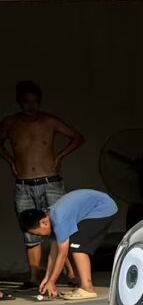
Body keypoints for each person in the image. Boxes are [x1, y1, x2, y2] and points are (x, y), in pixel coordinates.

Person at [1, 81, 84, 285]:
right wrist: (10, 160)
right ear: (20, 102)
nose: (31, 106)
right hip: (24, 185)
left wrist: (59, 157)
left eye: (35, 102)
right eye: (27, 102)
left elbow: (77, 137)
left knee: (61, 226)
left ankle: (71, 274)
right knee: (30, 230)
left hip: (50, 182)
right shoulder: (11, 123)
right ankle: (34, 277)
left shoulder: (49, 121)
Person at [26, 186, 117, 299]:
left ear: (44, 223)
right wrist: (47, 279)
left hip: (104, 208)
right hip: (92, 210)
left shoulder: (59, 219)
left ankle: (87, 288)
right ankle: (81, 286)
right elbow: (53, 253)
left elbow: (62, 254)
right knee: (72, 244)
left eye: (37, 233)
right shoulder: (50, 219)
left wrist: (52, 282)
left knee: (77, 245)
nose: (39, 236)